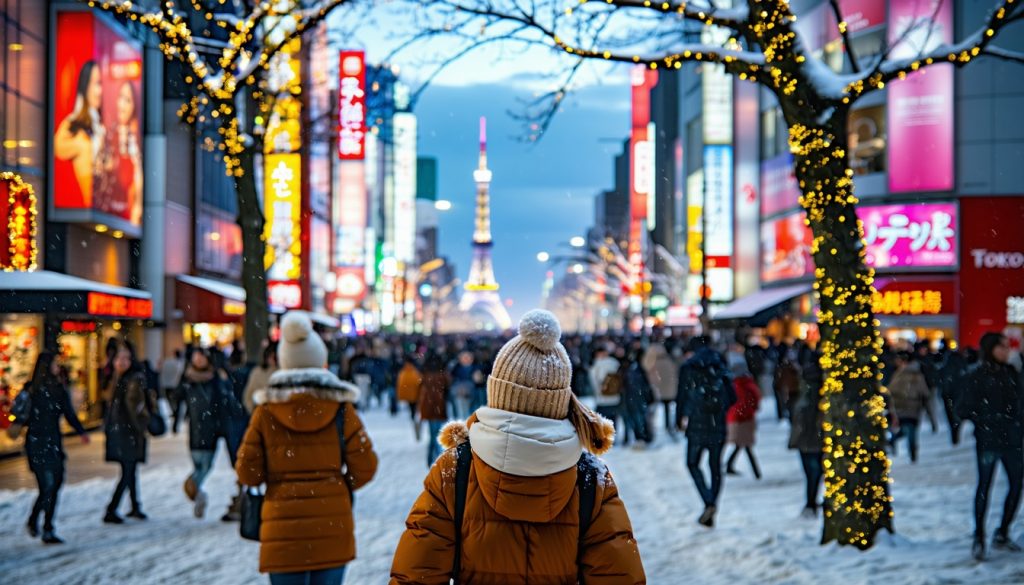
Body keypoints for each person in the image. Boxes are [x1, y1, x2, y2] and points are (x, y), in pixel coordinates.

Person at [389, 310, 645, 584]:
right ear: (561, 400)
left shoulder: (455, 469)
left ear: (497, 393)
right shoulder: (591, 479)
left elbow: (415, 575)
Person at [237, 311, 378, 585]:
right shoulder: (341, 410)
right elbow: (367, 465)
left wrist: (277, 481)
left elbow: (247, 471)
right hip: (332, 523)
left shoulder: (266, 412)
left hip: (282, 528)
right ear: (320, 359)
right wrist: (338, 484)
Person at [957, 332, 1024, 561]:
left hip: (1012, 440)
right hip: (989, 441)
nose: (1007, 350)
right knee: (984, 487)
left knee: (1016, 485)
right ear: (991, 349)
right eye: (1002, 347)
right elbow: (963, 408)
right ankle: (979, 537)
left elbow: (1019, 404)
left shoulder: (1012, 373)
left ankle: (1002, 532)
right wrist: (986, 419)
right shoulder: (977, 376)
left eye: (1007, 347)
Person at [16, 352, 90, 544]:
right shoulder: (35, 390)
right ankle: (45, 526)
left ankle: (40, 522)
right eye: (55, 364)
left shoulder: (54, 389)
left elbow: (68, 413)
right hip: (39, 443)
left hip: (50, 443)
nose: (58, 367)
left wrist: (81, 431)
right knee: (48, 486)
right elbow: (20, 417)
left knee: (54, 485)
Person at [676, 336, 736, 527]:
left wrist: (680, 418)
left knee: (692, 463)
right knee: (716, 466)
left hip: (697, 424)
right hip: (717, 424)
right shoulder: (721, 366)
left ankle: (708, 501)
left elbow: (681, 395)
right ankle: (713, 503)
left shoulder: (688, 368)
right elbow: (733, 397)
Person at [178, 347, 241, 519]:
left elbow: (224, 401)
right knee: (199, 465)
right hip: (195, 428)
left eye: (201, 357)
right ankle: (197, 493)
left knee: (204, 466)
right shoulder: (188, 379)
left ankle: (196, 492)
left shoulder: (216, 379)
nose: (198, 361)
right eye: (195, 357)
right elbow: (178, 399)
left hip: (210, 429)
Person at [103, 341, 151, 524]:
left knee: (128, 470)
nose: (121, 362)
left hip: (128, 432)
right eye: (118, 358)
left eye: (125, 358)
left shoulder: (133, 379)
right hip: (121, 432)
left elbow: (136, 407)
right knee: (128, 470)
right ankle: (128, 507)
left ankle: (117, 508)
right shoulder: (116, 378)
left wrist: (140, 427)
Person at [54, 60, 103, 206]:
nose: (99, 91)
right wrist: (81, 145)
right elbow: (57, 148)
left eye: (101, 84)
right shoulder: (73, 122)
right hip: (83, 206)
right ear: (85, 85)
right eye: (96, 83)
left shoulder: (102, 124)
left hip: (104, 209)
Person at [789, 352, 825, 518]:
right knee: (815, 471)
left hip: (807, 434)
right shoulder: (820, 390)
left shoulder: (804, 390)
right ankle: (811, 501)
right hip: (814, 434)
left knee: (812, 470)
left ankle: (811, 502)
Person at [888, 351, 937, 463]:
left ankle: (894, 442)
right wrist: (931, 418)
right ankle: (912, 453)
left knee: (905, 429)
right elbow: (925, 393)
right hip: (914, 408)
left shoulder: (898, 374)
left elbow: (891, 391)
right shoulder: (917, 375)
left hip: (901, 408)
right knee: (911, 430)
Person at [726, 360, 762, 479]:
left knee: (742, 444)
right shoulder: (745, 384)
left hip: (740, 419)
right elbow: (752, 402)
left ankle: (730, 466)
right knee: (744, 445)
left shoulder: (737, 384)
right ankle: (756, 472)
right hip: (743, 419)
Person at [642, 336, 680, 439]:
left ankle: (651, 430)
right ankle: (669, 427)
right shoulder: (669, 359)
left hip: (657, 389)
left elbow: (647, 368)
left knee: (652, 409)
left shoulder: (652, 359)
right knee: (667, 408)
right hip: (669, 389)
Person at [419, 353, 451, 466]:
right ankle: (438, 458)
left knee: (432, 435)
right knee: (438, 434)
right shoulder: (442, 375)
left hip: (429, 407)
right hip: (439, 407)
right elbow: (447, 388)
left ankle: (430, 458)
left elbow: (420, 390)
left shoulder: (425, 374)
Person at [621, 349, 653, 448]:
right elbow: (642, 386)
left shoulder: (633, 368)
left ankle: (642, 438)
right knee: (638, 419)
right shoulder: (636, 369)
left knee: (637, 419)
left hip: (634, 399)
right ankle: (642, 438)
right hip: (636, 399)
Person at [589, 344, 622, 436]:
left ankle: (604, 437)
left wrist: (598, 392)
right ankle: (613, 436)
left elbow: (594, 383)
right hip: (615, 397)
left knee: (602, 420)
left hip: (602, 399)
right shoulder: (615, 363)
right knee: (613, 419)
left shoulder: (596, 365)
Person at [939, 347, 969, 445]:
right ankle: (956, 434)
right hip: (957, 395)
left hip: (948, 395)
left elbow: (941, 382)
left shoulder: (945, 367)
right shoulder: (961, 366)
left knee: (951, 417)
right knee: (956, 416)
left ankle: (954, 435)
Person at [243, 342, 279, 415]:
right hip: (262, 414)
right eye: (270, 356)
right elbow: (248, 395)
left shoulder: (282, 372)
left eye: (274, 357)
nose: (271, 360)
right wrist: (255, 411)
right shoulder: (257, 373)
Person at [395, 355, 423, 440]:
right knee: (417, 412)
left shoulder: (403, 372)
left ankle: (414, 423)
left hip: (409, 397)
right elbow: (419, 383)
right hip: (417, 396)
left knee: (412, 411)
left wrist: (401, 396)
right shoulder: (415, 372)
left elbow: (400, 385)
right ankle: (417, 427)